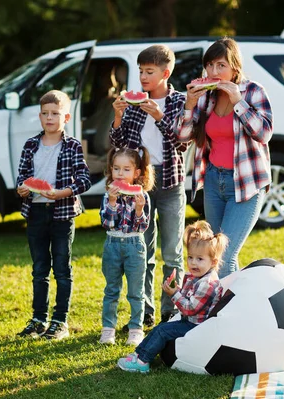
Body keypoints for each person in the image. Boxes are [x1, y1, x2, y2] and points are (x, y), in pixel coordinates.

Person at [175, 37, 273, 278]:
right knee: (212, 254)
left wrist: (237, 101)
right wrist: (189, 104)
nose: (214, 71)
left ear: (235, 67)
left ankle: (225, 313)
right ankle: (224, 308)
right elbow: (183, 136)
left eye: (221, 65)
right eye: (209, 65)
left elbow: (264, 133)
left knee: (225, 256)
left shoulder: (253, 91)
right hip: (213, 181)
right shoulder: (206, 96)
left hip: (246, 183)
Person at [110, 44, 188, 327]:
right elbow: (119, 146)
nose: (142, 77)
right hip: (140, 183)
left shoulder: (179, 102)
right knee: (142, 249)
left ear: (165, 73)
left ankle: (171, 309)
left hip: (170, 182)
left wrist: (159, 116)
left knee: (172, 252)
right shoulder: (133, 102)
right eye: (140, 71)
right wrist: (118, 117)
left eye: (149, 72)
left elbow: (183, 141)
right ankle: (144, 310)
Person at [16, 90, 91, 340]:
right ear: (40, 117)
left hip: (62, 214)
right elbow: (22, 176)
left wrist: (63, 193)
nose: (50, 118)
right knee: (39, 269)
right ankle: (38, 319)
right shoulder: (30, 145)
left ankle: (60, 321)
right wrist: (23, 189)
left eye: (55, 114)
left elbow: (84, 179)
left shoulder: (73, 146)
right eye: (45, 114)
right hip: (35, 213)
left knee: (62, 268)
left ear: (66, 117)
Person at [117, 220, 228, 373]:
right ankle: (138, 354)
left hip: (197, 327)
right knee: (160, 327)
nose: (193, 263)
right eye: (190, 257)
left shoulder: (207, 283)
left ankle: (142, 362)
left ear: (213, 261)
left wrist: (174, 294)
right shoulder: (196, 276)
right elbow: (188, 298)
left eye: (199, 259)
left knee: (163, 331)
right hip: (190, 321)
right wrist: (178, 289)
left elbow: (190, 309)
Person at [99, 147, 154, 346]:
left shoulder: (142, 196)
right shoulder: (108, 195)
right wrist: (112, 203)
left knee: (136, 292)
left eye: (126, 169)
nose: (120, 174)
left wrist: (139, 210)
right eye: (116, 169)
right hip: (112, 243)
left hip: (135, 246)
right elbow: (107, 223)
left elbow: (142, 227)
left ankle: (136, 329)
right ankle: (108, 329)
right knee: (111, 289)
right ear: (111, 170)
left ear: (136, 173)